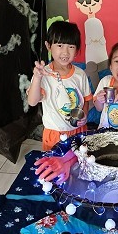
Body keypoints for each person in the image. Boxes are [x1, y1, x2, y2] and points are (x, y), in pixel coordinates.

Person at [27, 21, 92, 151]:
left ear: (77, 49)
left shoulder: (80, 74)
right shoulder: (43, 73)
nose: (65, 52)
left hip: (79, 131)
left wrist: (84, 115)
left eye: (71, 47)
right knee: (55, 163)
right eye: (60, 45)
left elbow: (86, 100)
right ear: (48, 46)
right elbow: (32, 102)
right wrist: (37, 78)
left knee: (80, 162)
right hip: (54, 134)